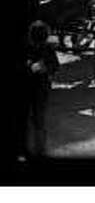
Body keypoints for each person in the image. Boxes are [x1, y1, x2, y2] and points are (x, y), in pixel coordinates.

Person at [25, 20, 59, 157]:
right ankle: (40, 149)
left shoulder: (30, 48)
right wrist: (43, 68)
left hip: (34, 88)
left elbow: (54, 66)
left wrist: (35, 67)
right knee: (39, 120)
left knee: (34, 120)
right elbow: (55, 66)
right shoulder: (48, 49)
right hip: (41, 89)